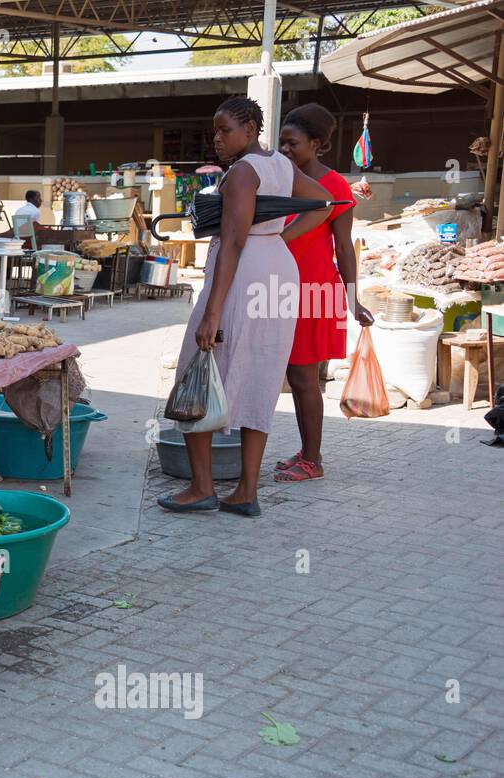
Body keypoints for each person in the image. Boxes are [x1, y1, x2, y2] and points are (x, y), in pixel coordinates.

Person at [159, 96, 334, 518]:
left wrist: (211, 313)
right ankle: (245, 491)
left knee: (196, 371)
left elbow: (234, 243)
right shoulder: (280, 164)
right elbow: (325, 203)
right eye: (215, 131)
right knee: (261, 374)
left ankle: (201, 488)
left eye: (225, 130)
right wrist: (278, 240)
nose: (217, 139)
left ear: (252, 129)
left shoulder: (242, 172)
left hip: (243, 275)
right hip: (277, 271)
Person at [276, 103, 373, 482]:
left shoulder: (333, 186)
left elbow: (345, 248)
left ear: (315, 144)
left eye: (292, 143)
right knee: (291, 376)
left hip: (314, 293)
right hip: (277, 291)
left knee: (304, 379)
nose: (284, 150)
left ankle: (313, 460)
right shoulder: (281, 179)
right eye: (281, 143)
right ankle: (306, 449)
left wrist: (353, 300)